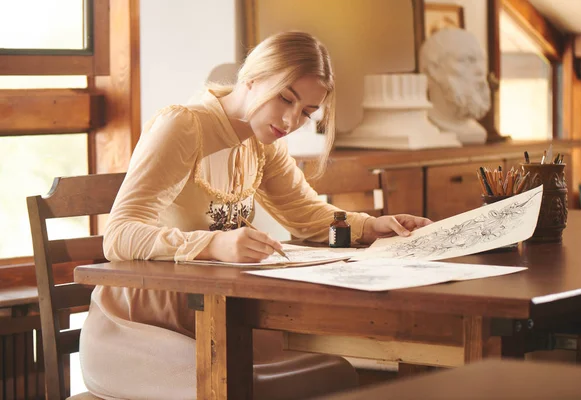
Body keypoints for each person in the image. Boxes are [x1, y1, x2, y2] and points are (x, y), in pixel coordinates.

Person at [80, 31, 432, 399]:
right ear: (252, 77)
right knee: (233, 387)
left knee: (332, 373)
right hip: (140, 325)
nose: (292, 119)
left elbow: (307, 214)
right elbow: (118, 236)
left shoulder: (264, 143)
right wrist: (215, 245)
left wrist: (371, 226)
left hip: (217, 318)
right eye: (286, 98)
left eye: (307, 112)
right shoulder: (183, 125)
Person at [419, 27, 492, 145]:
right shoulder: (424, 128)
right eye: (466, 60)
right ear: (433, 69)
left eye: (481, 60)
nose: (480, 70)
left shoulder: (475, 130)